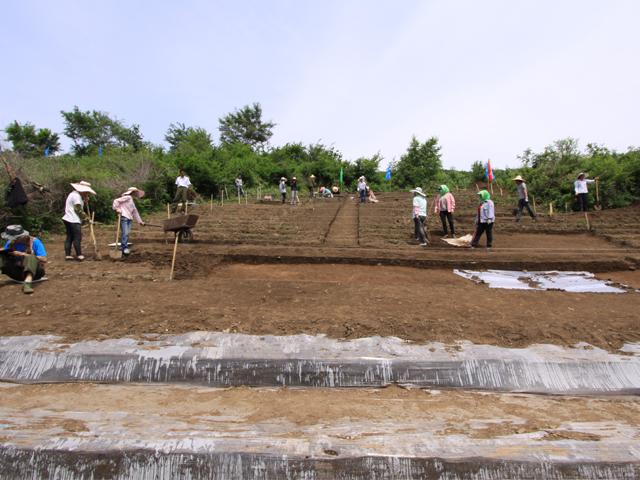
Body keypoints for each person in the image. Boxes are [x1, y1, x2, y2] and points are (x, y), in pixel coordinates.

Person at [0, 225, 47, 294]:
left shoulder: (35, 241)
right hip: (16, 272)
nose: (14, 240)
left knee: (30, 257)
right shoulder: (11, 242)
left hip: (35, 273)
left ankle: (27, 283)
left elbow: (44, 259)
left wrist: (21, 254)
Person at [62, 181, 96, 262]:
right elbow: (78, 209)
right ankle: (79, 255)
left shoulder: (73, 194)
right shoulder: (77, 196)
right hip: (73, 220)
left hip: (67, 218)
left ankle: (68, 256)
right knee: (77, 237)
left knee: (69, 237)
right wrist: (87, 219)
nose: (86, 193)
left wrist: (84, 200)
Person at [112, 187, 146, 255]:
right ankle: (125, 247)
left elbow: (135, 212)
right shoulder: (128, 197)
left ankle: (122, 247)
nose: (137, 193)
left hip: (129, 218)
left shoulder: (132, 202)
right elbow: (116, 201)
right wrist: (117, 209)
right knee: (125, 233)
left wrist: (140, 222)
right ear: (132, 192)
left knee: (127, 233)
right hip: (124, 216)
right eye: (136, 192)